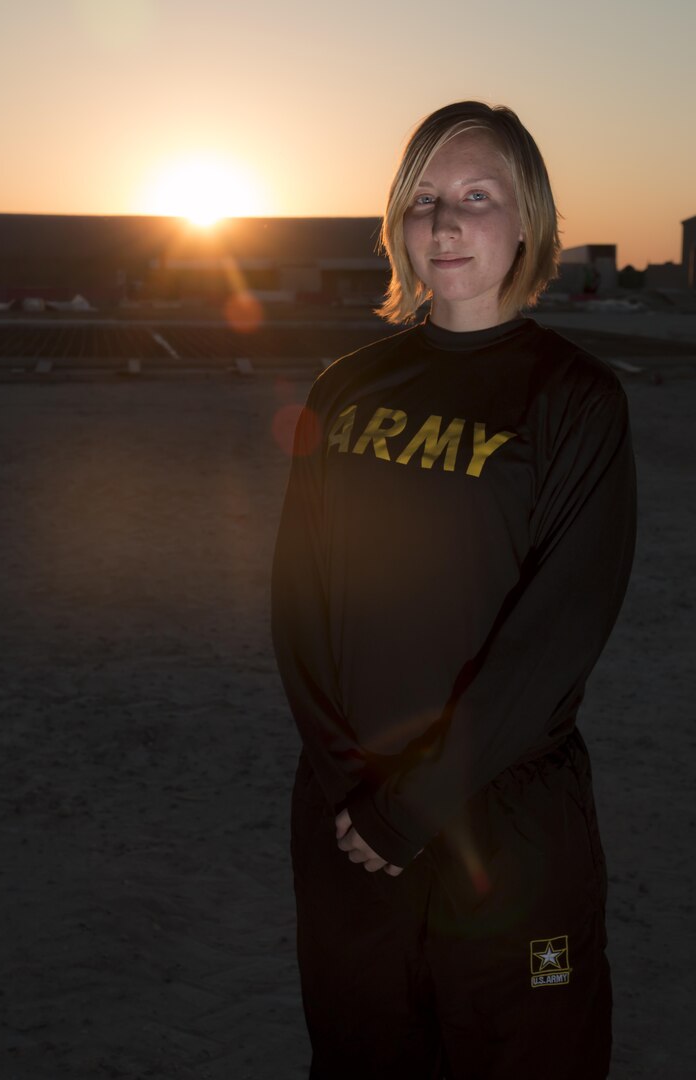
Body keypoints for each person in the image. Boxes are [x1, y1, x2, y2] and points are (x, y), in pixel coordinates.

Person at [271, 101, 636, 1079]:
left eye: (476, 197)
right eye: (424, 198)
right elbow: (298, 609)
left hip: (505, 832)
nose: (444, 221)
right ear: (398, 222)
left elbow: (554, 641)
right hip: (349, 829)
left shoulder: (575, 400)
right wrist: (356, 795)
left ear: (528, 223)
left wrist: (411, 809)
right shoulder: (344, 390)